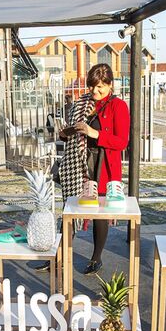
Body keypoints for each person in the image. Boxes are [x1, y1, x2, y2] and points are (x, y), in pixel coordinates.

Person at [57, 64, 130, 275]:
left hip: (104, 164)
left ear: (110, 85)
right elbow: (78, 133)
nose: (95, 91)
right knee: (69, 210)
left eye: (100, 87)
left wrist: (93, 133)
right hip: (80, 162)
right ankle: (58, 255)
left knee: (100, 212)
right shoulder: (83, 103)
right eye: (92, 86)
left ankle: (96, 258)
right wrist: (66, 134)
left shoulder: (118, 106)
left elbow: (122, 142)